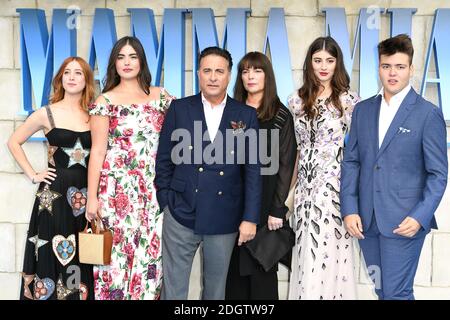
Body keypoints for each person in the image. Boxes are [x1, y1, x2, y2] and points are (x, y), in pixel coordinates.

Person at [340, 34, 448, 300]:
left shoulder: (427, 113)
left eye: (400, 67)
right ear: (379, 67)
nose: (392, 73)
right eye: (386, 66)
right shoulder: (363, 110)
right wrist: (350, 208)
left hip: (404, 221)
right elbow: (352, 161)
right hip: (366, 220)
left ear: (411, 69)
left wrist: (419, 216)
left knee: (397, 293)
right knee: (382, 290)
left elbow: (438, 174)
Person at [155, 46, 262, 300]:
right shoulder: (180, 108)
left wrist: (250, 218)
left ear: (228, 76)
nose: (213, 77)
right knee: (174, 290)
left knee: (215, 292)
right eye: (207, 71)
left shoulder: (245, 115)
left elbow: (253, 170)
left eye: (219, 71)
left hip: (224, 216)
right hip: (180, 213)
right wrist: (166, 201)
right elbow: (164, 160)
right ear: (199, 75)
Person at [86, 36, 173, 300]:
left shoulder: (161, 96)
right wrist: (92, 198)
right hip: (116, 193)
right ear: (114, 63)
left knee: (151, 262)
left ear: (142, 61)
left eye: (132, 56)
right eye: (121, 57)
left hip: (152, 191)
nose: (126, 62)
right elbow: (98, 150)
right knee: (114, 262)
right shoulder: (104, 101)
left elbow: (179, 140)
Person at [8, 57, 95, 300]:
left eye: (78, 73)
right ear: (60, 79)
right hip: (53, 196)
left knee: (81, 254)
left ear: (86, 80)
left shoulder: (95, 113)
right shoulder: (46, 113)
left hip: (86, 196)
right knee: (51, 250)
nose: (72, 77)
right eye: (67, 72)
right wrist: (34, 174)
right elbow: (13, 141)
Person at [288, 37, 360, 300]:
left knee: (331, 256)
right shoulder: (296, 100)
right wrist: (290, 192)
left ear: (337, 63)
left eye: (329, 60)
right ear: (309, 63)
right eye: (317, 60)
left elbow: (358, 152)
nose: (323, 66)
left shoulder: (349, 100)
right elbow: (296, 151)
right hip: (305, 195)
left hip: (335, 191)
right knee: (306, 254)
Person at [225, 51, 296, 300]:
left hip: (265, 204)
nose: (250, 76)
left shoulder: (280, 115)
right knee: (232, 276)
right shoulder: (230, 111)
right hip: (231, 202)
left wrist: (277, 208)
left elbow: (287, 164)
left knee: (261, 272)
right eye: (245, 71)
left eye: (257, 70)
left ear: (268, 75)